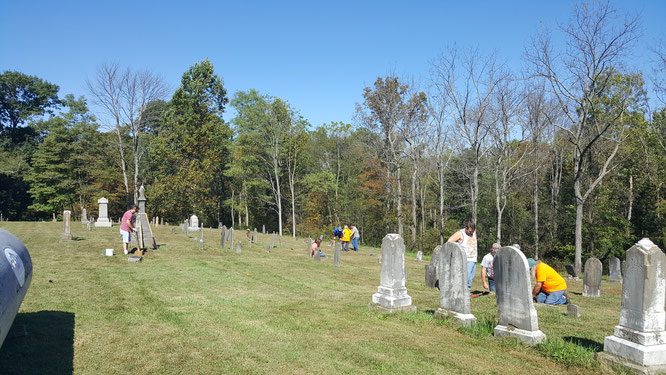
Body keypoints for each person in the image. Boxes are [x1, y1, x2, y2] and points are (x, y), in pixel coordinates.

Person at [447, 221, 477, 290]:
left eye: (472, 231)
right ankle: (464, 292)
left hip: (473, 259)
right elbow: (449, 242)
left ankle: (466, 291)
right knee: (466, 278)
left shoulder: (474, 232)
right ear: (466, 228)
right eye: (469, 231)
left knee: (470, 278)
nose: (471, 233)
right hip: (465, 259)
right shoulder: (460, 233)